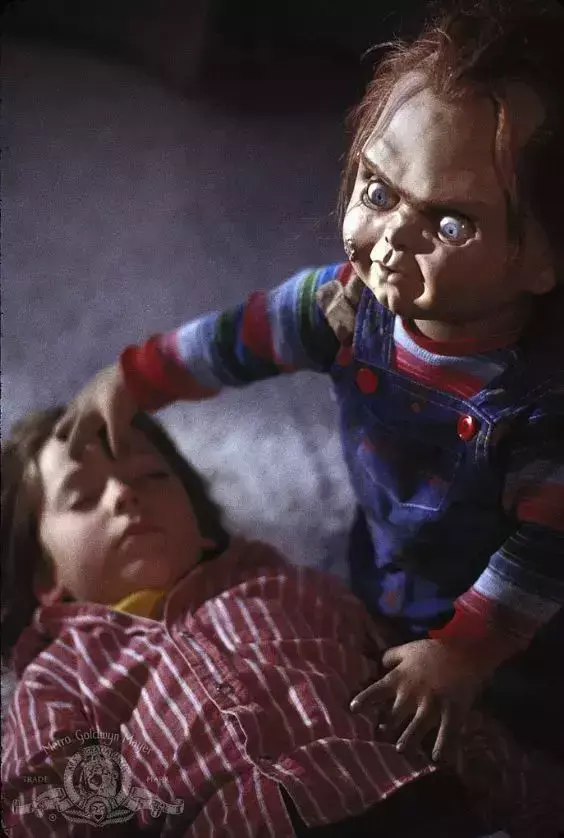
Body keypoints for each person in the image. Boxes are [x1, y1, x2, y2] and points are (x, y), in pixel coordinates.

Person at [53, 0, 564, 767]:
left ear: (548, 260)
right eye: (378, 190)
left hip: (528, 633)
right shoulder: (341, 307)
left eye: (451, 224)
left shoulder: (544, 406)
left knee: (514, 743)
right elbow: (238, 337)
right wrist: (136, 377)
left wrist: (467, 650)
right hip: (390, 568)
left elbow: (545, 551)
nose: (390, 239)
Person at [2, 408, 562, 837]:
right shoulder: (60, 675)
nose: (124, 494)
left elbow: (418, 701)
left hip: (402, 801)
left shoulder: (290, 587)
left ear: (198, 520)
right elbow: (43, 802)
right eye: (82, 496)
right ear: (45, 576)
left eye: (151, 475)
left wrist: (532, 795)